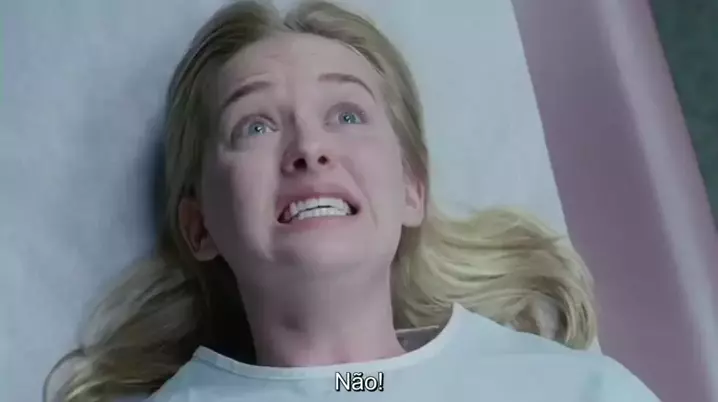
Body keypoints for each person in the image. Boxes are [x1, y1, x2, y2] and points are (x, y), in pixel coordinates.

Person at [46, 1, 660, 401]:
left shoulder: (578, 391)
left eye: (346, 114)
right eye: (255, 126)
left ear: (413, 190)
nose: (309, 148)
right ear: (200, 226)